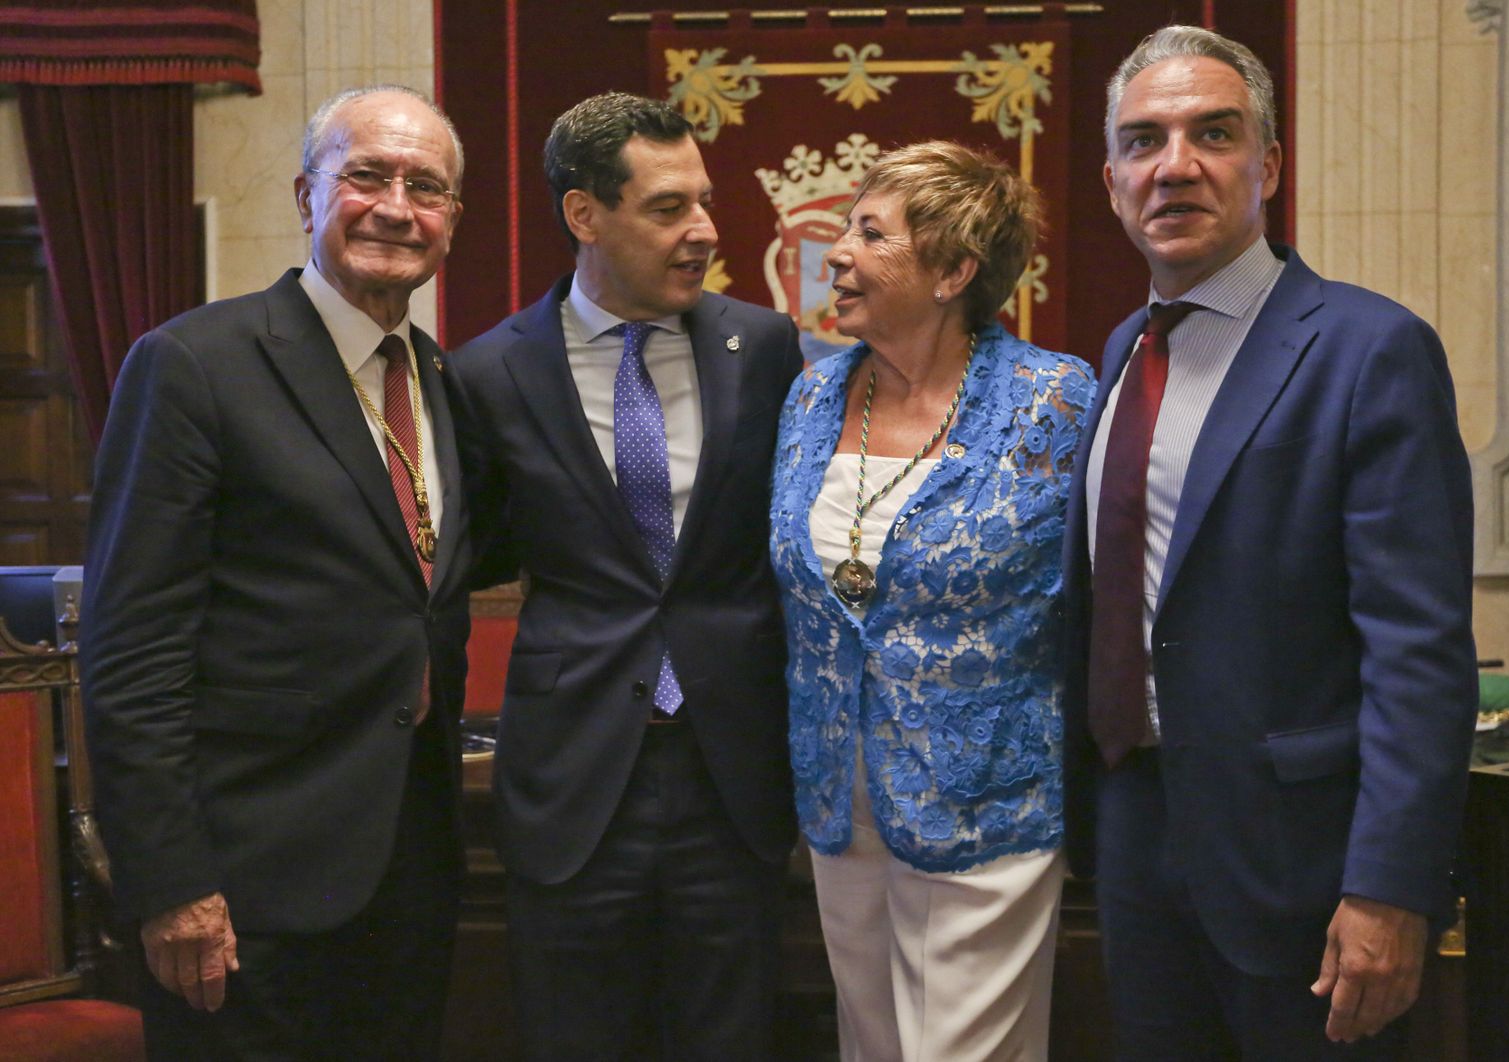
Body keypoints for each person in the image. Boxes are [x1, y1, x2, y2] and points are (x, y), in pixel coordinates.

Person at [1060, 25, 1478, 1059]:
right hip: (1135, 839)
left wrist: (1390, 886)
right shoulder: (1122, 350)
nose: (1175, 166)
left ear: (1270, 166)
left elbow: (1418, 653)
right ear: (1112, 181)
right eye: (1143, 141)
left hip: (1306, 871)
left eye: (1214, 134)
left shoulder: (1368, 349)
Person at [79, 85, 470, 1059]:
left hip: (408, 872)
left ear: (452, 220)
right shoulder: (194, 364)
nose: (396, 207)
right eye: (366, 176)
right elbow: (131, 652)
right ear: (306, 195)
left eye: (426, 187)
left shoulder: (441, 381)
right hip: (244, 887)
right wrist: (171, 882)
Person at [447, 91, 802, 1060]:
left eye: (704, 202)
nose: (704, 231)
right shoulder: (487, 374)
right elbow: (479, 553)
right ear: (584, 214)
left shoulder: (765, 348)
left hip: (730, 778)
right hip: (574, 778)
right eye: (668, 208)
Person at [769, 140, 1095, 1061]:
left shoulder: (1054, 401)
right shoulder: (811, 396)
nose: (837, 253)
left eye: (871, 234)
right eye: (845, 229)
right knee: (869, 1046)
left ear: (954, 272)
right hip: (840, 802)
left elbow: (1103, 590)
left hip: (989, 800)